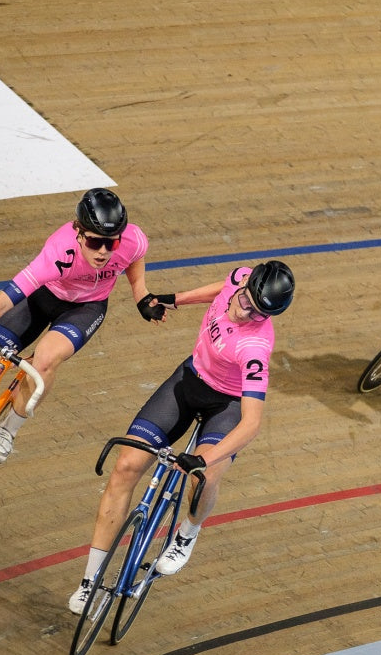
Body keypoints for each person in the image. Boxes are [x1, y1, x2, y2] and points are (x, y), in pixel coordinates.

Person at [68, 260, 295, 614]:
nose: (246, 312)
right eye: (246, 301)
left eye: (258, 313)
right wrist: (174, 299)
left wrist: (203, 459)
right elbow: (219, 289)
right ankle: (90, 581)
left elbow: (251, 424)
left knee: (204, 478)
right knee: (125, 467)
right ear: (246, 283)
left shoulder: (255, 348)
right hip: (190, 380)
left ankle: (187, 533)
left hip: (227, 406)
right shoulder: (240, 275)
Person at [0, 188, 169, 463]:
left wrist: (140, 294)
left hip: (86, 309)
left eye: (111, 244)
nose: (103, 252)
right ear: (79, 231)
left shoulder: (132, 239)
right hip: (42, 299)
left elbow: (135, 257)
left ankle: (8, 431)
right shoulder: (57, 253)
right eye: (94, 242)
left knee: (44, 361)